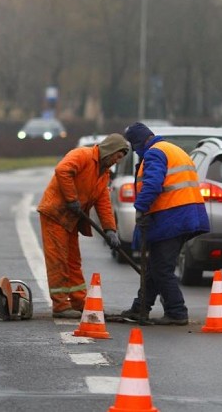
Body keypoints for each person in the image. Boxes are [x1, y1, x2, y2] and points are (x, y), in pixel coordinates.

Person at [120, 122, 210, 325]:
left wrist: (141, 208)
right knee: (155, 267)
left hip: (172, 217)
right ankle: (140, 307)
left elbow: (153, 183)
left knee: (161, 269)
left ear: (138, 143)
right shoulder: (172, 149)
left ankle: (177, 311)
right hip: (183, 214)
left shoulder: (154, 153)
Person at [37, 133, 129, 318]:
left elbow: (103, 203)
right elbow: (62, 170)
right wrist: (72, 199)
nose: (117, 161)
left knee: (73, 261)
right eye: (117, 156)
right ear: (109, 150)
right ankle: (61, 305)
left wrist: (110, 230)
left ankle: (80, 302)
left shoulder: (102, 175)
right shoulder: (82, 155)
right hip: (55, 213)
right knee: (58, 260)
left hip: (71, 218)